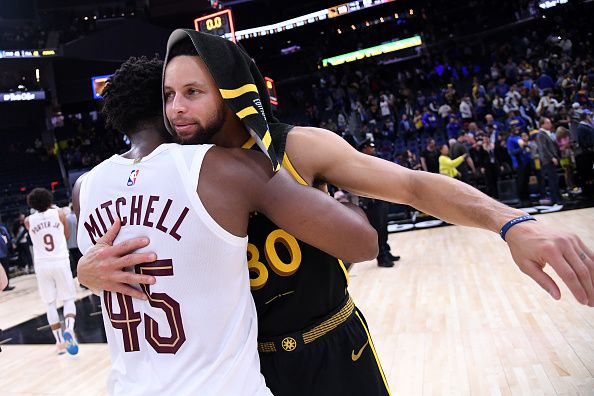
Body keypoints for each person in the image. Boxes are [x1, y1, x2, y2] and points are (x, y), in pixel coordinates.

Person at [78, 30, 594, 396]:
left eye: (192, 93)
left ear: (232, 92)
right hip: (247, 368)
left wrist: (511, 223)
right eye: (169, 96)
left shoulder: (298, 148)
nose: (176, 110)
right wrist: (86, 272)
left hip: (329, 345)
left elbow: (411, 184)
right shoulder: (176, 173)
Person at [74, 56, 377, 395]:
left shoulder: (84, 188)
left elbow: (108, 273)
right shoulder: (220, 168)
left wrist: (82, 273)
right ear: (167, 104)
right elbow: (362, 244)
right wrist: (348, 206)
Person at [25, 188, 79, 355]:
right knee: (68, 298)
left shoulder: (28, 220)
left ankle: (59, 342)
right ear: (49, 199)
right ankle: (69, 328)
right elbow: (66, 234)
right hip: (60, 260)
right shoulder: (59, 214)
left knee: (50, 303)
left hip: (42, 264)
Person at [359, 140, 400, 268]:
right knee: (377, 230)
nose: (373, 149)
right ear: (364, 148)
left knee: (383, 229)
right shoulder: (359, 163)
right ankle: (381, 258)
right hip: (370, 201)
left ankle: (387, 252)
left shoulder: (373, 161)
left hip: (380, 198)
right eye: (370, 147)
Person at [535, 117, 563, 204]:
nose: (550, 124)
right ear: (542, 124)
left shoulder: (547, 133)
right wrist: (552, 157)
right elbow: (544, 148)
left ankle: (558, 198)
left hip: (551, 159)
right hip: (548, 160)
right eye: (548, 123)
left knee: (555, 179)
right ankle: (555, 200)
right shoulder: (541, 134)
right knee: (552, 180)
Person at [0, 217, 14, 291]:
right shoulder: (2, 229)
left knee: (6, 269)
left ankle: (6, 285)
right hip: (2, 253)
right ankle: (5, 286)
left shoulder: (2, 229)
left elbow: (8, 238)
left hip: (4, 252)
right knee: (4, 270)